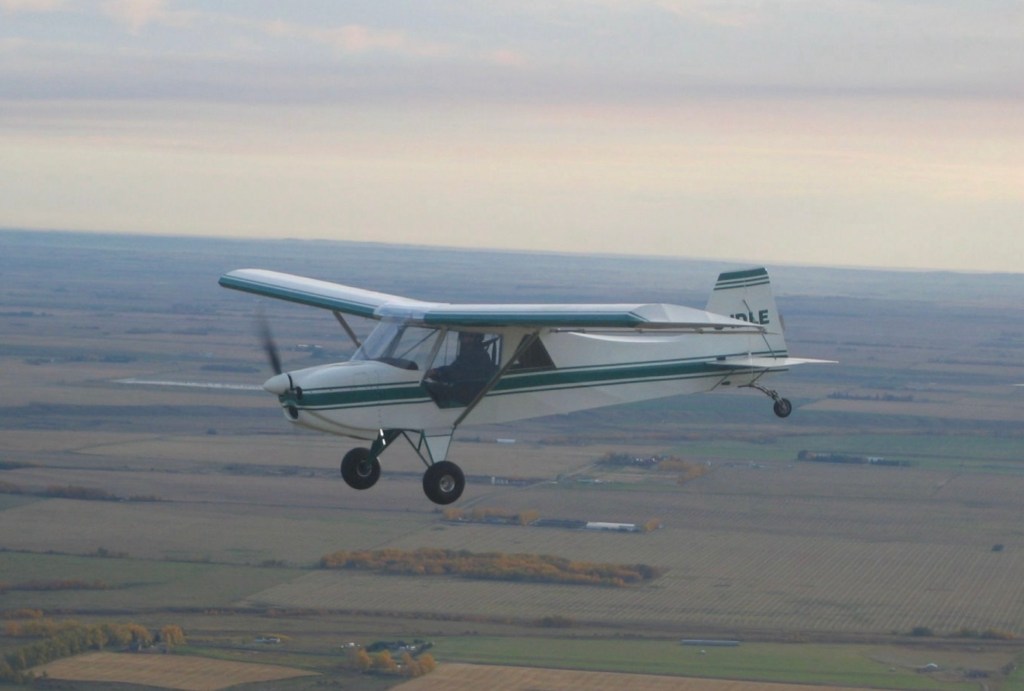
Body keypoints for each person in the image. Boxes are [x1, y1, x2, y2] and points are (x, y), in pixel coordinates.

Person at [426, 332, 496, 405]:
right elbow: (454, 368)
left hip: (468, 394)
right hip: (463, 389)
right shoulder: (467, 354)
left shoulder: (479, 355)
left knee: (432, 389)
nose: (466, 339)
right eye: (463, 336)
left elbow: (460, 372)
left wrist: (437, 372)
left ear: (477, 339)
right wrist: (435, 373)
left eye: (470, 336)